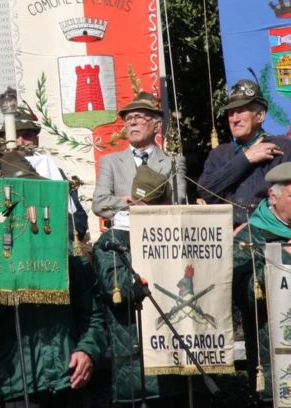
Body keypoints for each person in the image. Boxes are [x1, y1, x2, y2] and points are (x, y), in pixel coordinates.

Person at [0, 157, 104, 406]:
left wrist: (87, 350)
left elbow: (93, 314)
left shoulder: (69, 254)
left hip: (68, 380)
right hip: (18, 384)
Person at [93, 164, 185, 405]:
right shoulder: (112, 240)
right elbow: (118, 289)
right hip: (139, 369)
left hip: (179, 361)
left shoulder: (174, 235)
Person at [232, 162, 291, 398]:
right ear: (273, 197)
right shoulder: (249, 236)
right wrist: (286, 260)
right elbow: (244, 296)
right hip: (274, 349)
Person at [197, 79, 291, 225]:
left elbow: (288, 200)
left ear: (260, 115)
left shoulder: (281, 148)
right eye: (231, 113)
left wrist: (252, 227)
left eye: (241, 111)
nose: (235, 119)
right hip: (226, 231)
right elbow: (205, 191)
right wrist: (245, 159)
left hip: (268, 232)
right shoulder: (219, 154)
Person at [93, 92, 185, 227]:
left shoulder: (173, 162)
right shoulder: (110, 162)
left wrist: (126, 201)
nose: (133, 122)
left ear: (157, 125)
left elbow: (177, 200)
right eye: (128, 118)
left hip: (161, 232)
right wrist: (133, 204)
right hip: (124, 234)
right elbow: (99, 203)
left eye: (139, 117)